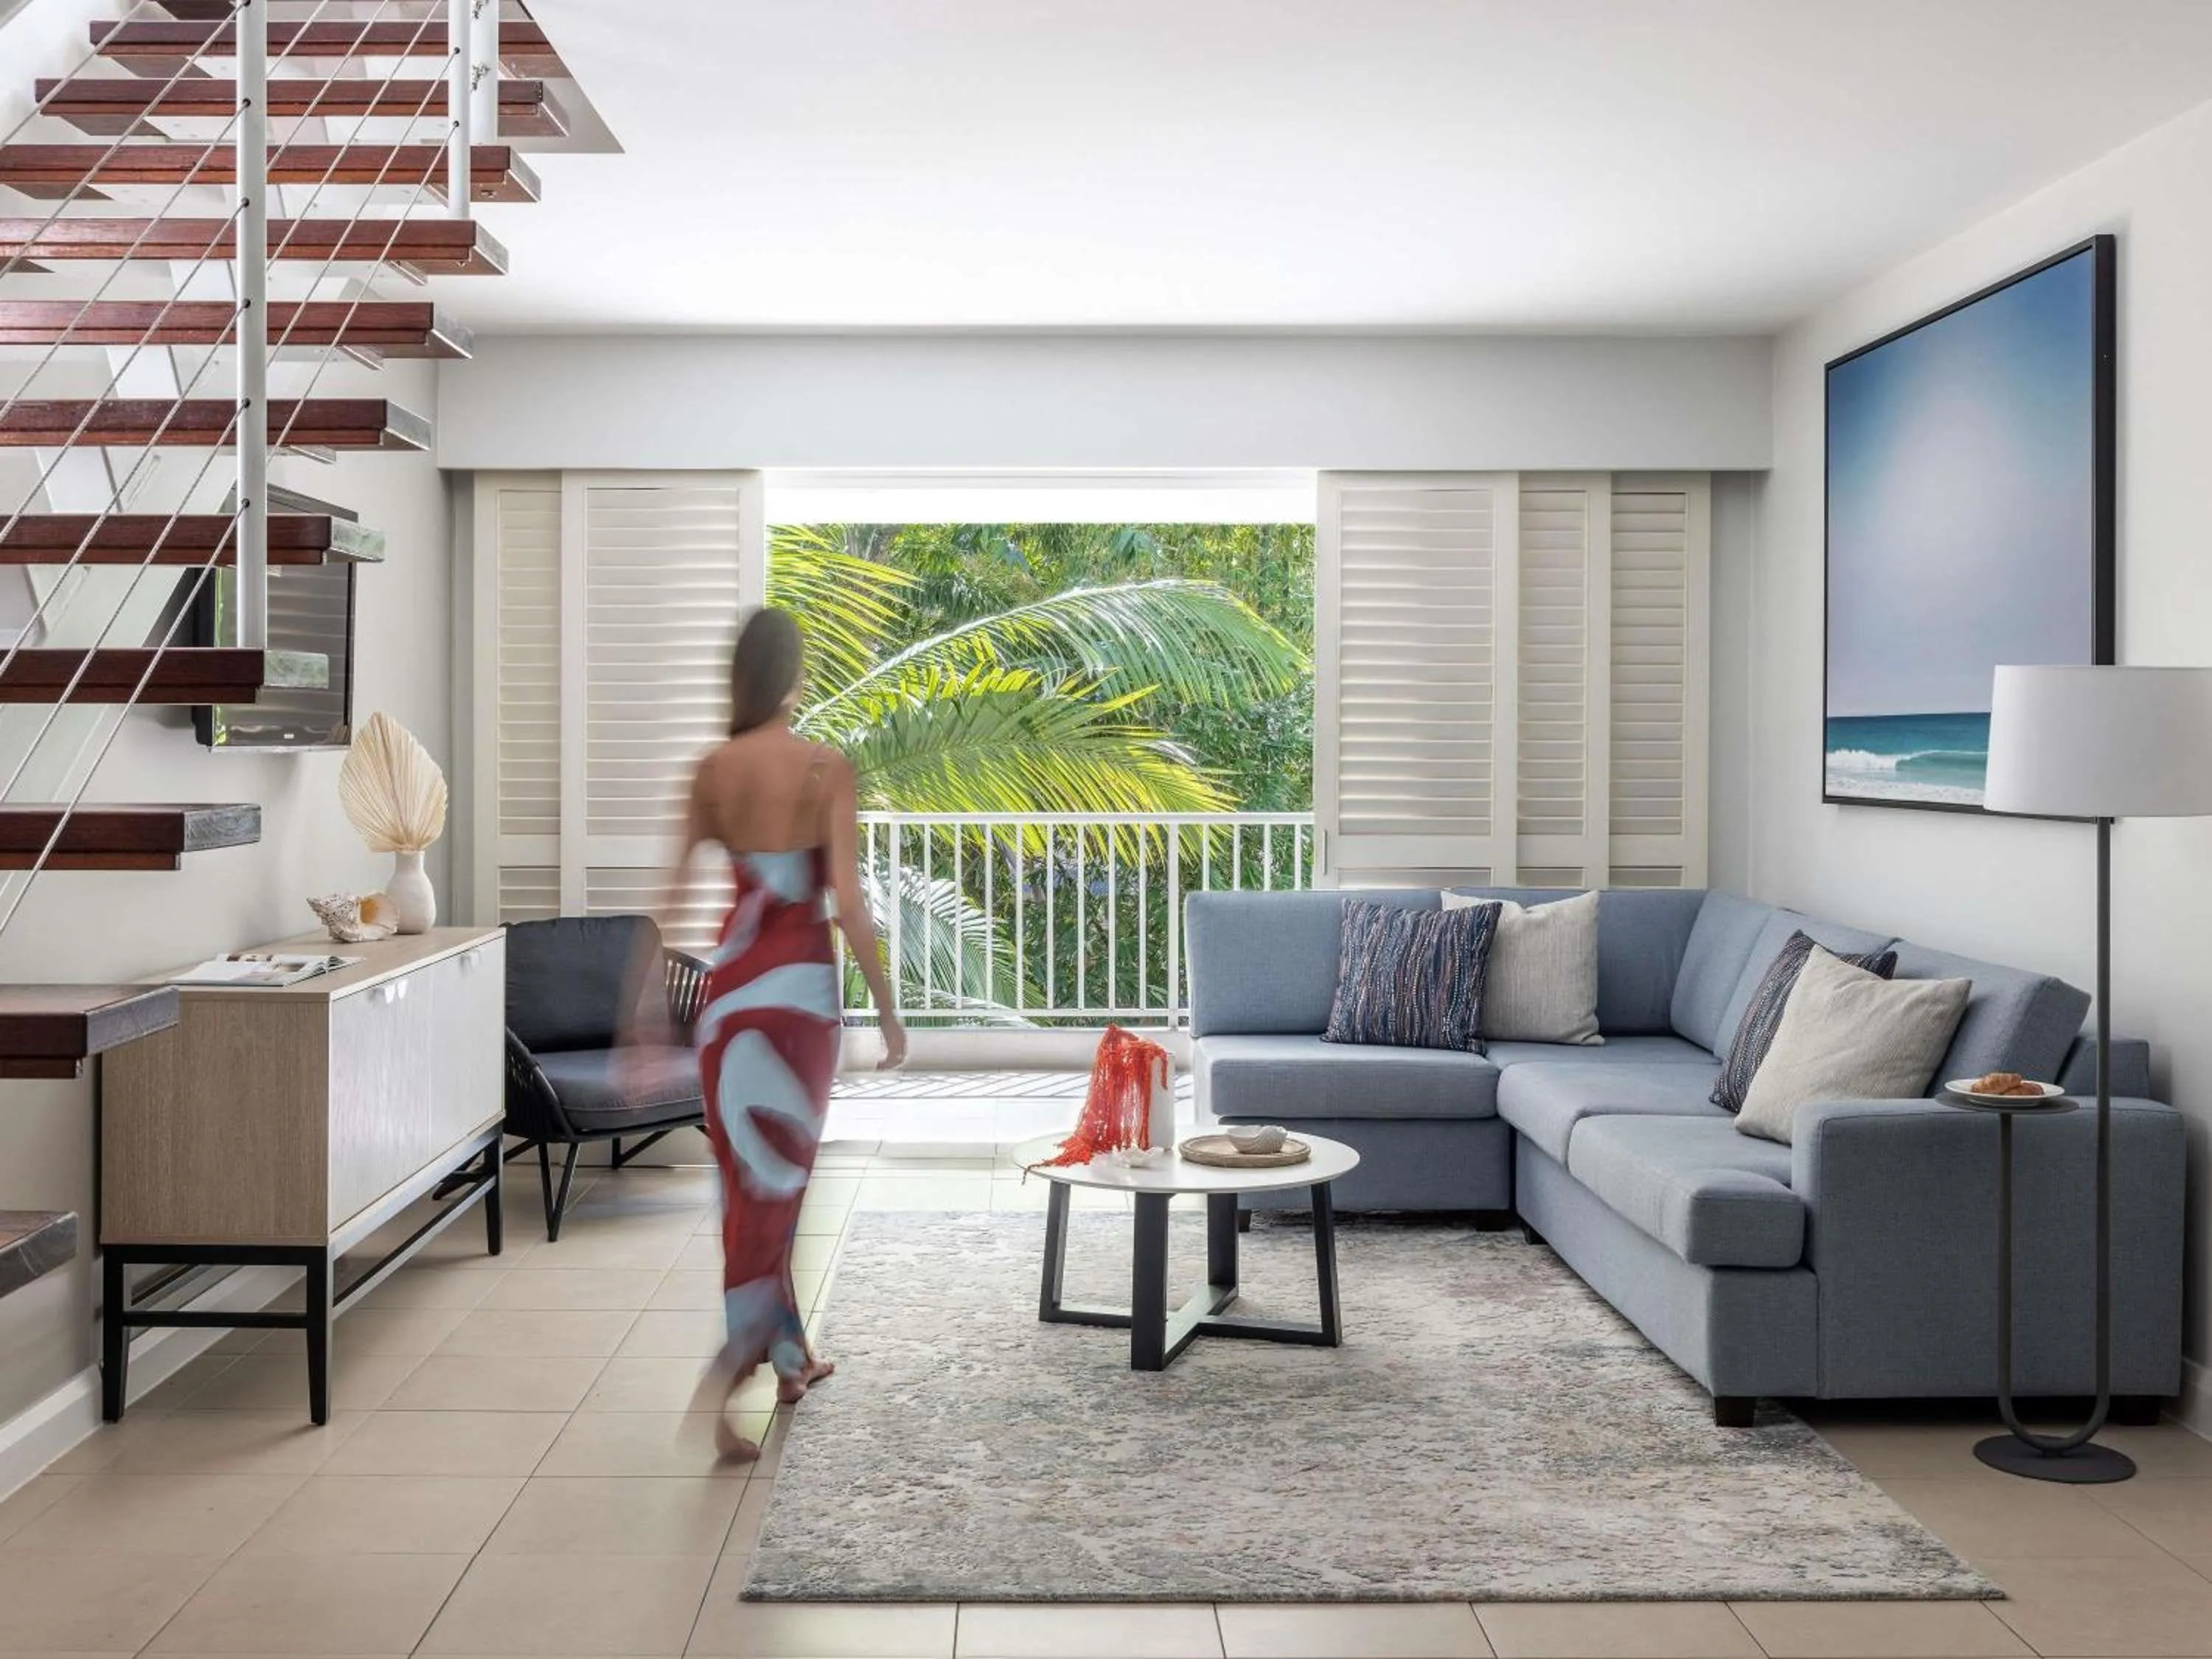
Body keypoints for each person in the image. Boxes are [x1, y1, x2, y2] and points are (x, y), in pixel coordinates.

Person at [652, 605, 905, 1461]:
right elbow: (849, 906)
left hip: (726, 1007)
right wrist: (888, 1009)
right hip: (797, 1009)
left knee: (755, 1194)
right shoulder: (824, 769)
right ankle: (726, 1379)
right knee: (776, 1195)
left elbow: (670, 899)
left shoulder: (711, 771)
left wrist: (637, 1019)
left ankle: (791, 1360)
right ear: (792, 681)